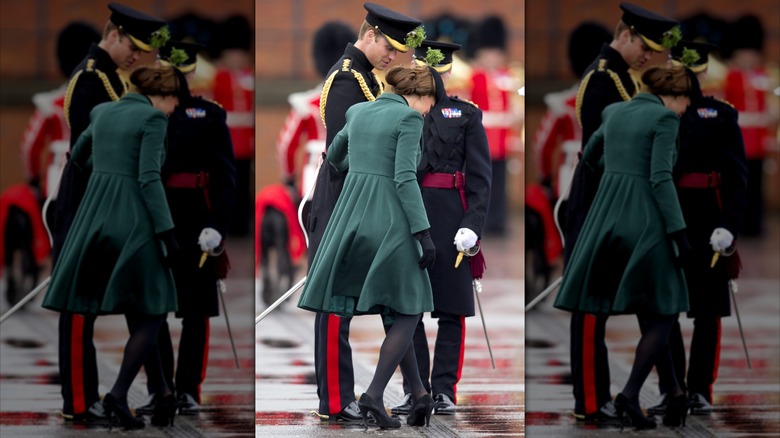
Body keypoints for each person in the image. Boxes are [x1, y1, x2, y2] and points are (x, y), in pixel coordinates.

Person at [45, 2, 168, 422]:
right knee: (80, 307)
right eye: (132, 46)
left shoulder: (116, 78)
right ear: (112, 34)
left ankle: (158, 390)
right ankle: (79, 401)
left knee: (143, 301)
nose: (137, 56)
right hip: (88, 201)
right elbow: (88, 152)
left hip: (116, 205)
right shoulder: (90, 79)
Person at [554, 65, 694, 430]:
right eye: (684, 103)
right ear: (676, 97)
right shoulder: (665, 119)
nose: (683, 111)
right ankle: (630, 394)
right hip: (647, 218)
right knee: (664, 311)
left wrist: (618, 175)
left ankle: (676, 394)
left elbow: (591, 156)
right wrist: (679, 232)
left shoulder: (614, 112)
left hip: (607, 215)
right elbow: (661, 177)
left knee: (650, 309)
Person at [298, 64, 437, 429]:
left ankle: (420, 394)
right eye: (429, 104)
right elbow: (405, 178)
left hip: (352, 216)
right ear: (420, 96)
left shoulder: (358, 111)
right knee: (410, 308)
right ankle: (374, 394)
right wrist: (423, 232)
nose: (427, 112)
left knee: (393, 306)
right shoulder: (409, 120)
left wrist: (361, 171)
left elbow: (335, 156)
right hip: (390, 219)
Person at [390, 40, 491, 416]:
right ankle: (414, 389)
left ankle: (445, 389)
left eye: (441, 71)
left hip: (450, 215)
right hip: (408, 213)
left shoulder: (465, 114)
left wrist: (473, 226)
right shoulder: (403, 111)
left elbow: (481, 178)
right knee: (407, 307)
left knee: (451, 309)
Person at [136, 41, 237, 416]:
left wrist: (218, 227)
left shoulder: (208, 114)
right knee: (153, 307)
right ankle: (158, 387)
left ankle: (188, 388)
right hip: (155, 214)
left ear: (193, 73)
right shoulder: (148, 111)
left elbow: (226, 177)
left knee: (195, 309)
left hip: (196, 215)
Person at [648, 41, 748, 417]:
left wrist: (729, 227)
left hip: (708, 215)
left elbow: (738, 177)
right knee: (664, 307)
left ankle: (700, 388)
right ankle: (670, 387)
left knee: (707, 310)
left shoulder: (720, 114)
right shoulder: (660, 111)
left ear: (705, 72)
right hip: (667, 215)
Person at [467, 15, 521, 236]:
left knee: (500, 183)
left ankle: (498, 222)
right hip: (482, 136)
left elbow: (515, 106)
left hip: (502, 139)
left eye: (495, 52)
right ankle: (482, 221)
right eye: (488, 52)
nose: (492, 56)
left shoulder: (509, 77)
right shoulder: (473, 77)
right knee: (480, 183)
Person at [720, 15, 772, 236]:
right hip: (738, 137)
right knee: (737, 185)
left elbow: (771, 103)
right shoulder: (728, 76)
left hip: (759, 139)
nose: (750, 57)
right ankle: (737, 224)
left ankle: (755, 224)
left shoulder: (765, 76)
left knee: (757, 185)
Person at [210, 14, 254, 237]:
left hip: (246, 142)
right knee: (225, 186)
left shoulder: (249, 76)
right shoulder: (219, 77)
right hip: (227, 139)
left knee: (243, 187)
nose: (237, 57)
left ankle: (240, 227)